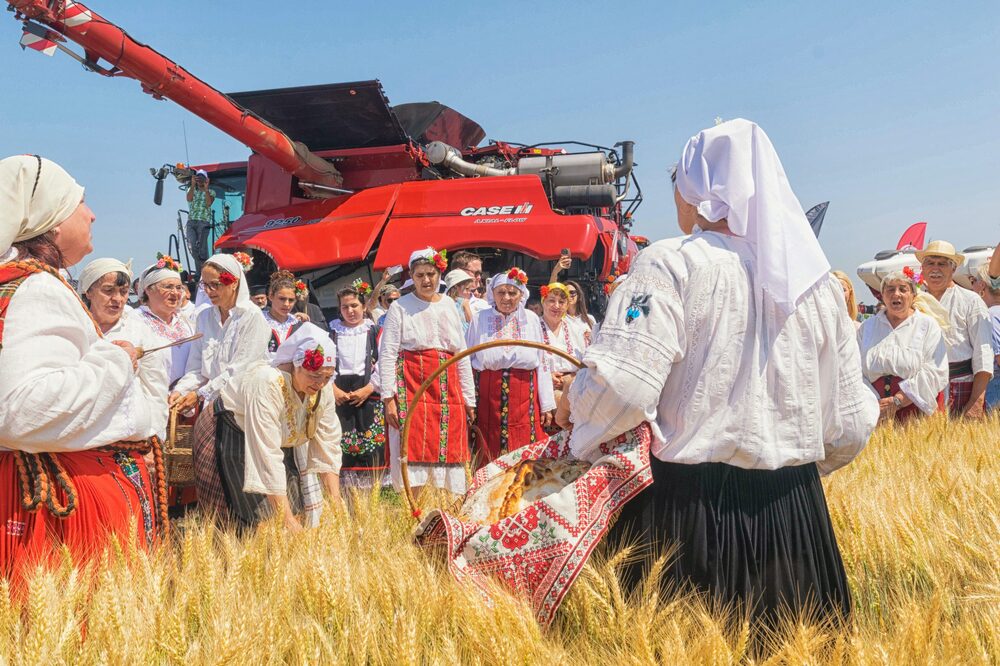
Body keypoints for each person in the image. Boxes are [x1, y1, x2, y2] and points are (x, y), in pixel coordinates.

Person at [559, 120, 879, 627]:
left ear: (700, 192)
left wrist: (576, 408)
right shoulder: (816, 286)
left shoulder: (668, 265)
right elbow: (852, 418)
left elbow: (622, 385)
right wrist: (791, 469)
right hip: (796, 520)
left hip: (689, 513)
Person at [0, 155, 166, 579]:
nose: (91, 213)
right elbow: (23, 410)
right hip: (60, 507)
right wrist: (116, 359)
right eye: (80, 202)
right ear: (53, 221)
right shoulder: (37, 288)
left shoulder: (16, 283)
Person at [213, 323, 342, 530]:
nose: (320, 384)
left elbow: (329, 442)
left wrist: (336, 503)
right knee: (260, 518)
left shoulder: (322, 390)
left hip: (278, 441)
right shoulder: (267, 382)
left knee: (295, 509)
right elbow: (267, 452)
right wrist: (286, 519)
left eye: (327, 377)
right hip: (236, 432)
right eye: (315, 376)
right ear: (295, 365)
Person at [171, 253, 271, 518]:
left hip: (243, 409)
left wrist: (200, 394)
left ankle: (253, 527)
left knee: (238, 468)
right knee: (209, 469)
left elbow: (239, 370)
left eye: (216, 284)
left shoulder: (252, 318)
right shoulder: (204, 318)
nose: (210, 291)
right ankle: (220, 527)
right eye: (205, 285)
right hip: (213, 406)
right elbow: (196, 366)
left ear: (234, 283)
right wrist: (180, 391)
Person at [378, 247, 475, 496]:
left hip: (447, 387)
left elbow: (461, 353)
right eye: (420, 275)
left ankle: (445, 513)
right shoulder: (400, 307)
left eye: (430, 274)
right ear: (412, 275)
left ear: (439, 274)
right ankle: (415, 513)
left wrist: (468, 398)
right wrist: (388, 399)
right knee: (414, 445)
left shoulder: (449, 306)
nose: (426, 280)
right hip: (411, 383)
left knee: (448, 446)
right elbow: (387, 353)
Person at [466, 269, 556, 463]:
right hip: (488, 398)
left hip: (524, 397)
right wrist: (468, 399)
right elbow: (466, 360)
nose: (506, 297)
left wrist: (546, 404)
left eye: (512, 293)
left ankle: (521, 485)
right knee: (488, 443)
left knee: (523, 443)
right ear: (492, 294)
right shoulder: (479, 319)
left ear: (521, 295)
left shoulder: (531, 319)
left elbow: (542, 362)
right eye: (501, 292)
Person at [78, 258, 171, 441]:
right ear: (88, 292)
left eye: (123, 292)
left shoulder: (138, 330)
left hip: (129, 441)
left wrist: (153, 439)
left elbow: (155, 388)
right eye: (108, 290)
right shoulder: (75, 328)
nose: (118, 299)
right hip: (81, 439)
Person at [857, 271, 949, 423]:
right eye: (890, 289)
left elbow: (935, 370)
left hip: (915, 410)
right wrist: (874, 404)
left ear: (913, 295)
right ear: (882, 295)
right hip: (875, 411)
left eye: (903, 289)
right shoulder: (867, 327)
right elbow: (855, 370)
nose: (896, 294)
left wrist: (898, 400)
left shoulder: (927, 325)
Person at [916, 241, 993, 417]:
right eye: (930, 263)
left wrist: (976, 402)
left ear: (954, 268)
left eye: (942, 263)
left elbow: (984, 354)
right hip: (923, 388)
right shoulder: (916, 302)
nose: (935, 269)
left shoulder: (970, 301)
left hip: (961, 386)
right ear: (922, 268)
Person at [329, 286, 385, 491]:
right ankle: (346, 490)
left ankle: (375, 489)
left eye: (354, 305)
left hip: (368, 392)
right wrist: (332, 388)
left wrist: (370, 388)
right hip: (340, 393)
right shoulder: (332, 332)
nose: (350, 310)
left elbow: (384, 361)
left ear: (363, 306)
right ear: (339, 309)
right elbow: (325, 363)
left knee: (370, 440)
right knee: (343, 441)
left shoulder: (375, 331)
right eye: (345, 307)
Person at [135, 255, 196, 388]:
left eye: (179, 287)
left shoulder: (187, 322)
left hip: (186, 400)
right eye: (168, 287)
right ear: (148, 290)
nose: (175, 293)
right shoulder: (134, 321)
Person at [538, 282, 590, 397]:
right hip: (543, 388)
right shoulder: (533, 327)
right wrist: (547, 377)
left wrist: (571, 378)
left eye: (561, 302)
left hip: (573, 386)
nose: (556, 306)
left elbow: (586, 363)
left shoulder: (576, 329)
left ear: (567, 306)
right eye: (551, 300)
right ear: (543, 303)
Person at [970, 265, 1000, 410]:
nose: (971, 287)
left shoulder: (990, 316)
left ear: (982, 285)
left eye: (972, 281)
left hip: (995, 392)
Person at [264, 270, 303, 357]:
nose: (286, 304)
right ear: (271, 296)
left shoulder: (298, 325)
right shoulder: (259, 320)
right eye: (282, 299)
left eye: (291, 300)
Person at [185, 169, 215, 271]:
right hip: (191, 221)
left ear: (207, 180)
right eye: (198, 178)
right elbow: (189, 199)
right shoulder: (191, 190)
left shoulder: (211, 192)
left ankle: (203, 271)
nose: (200, 181)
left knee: (202, 249)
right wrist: (193, 185)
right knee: (192, 246)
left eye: (202, 178)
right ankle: (202, 269)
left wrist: (206, 188)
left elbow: (208, 203)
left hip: (204, 222)